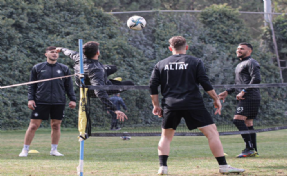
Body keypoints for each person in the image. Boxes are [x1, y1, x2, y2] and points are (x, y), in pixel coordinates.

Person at [149, 36, 245, 175]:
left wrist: (156, 105)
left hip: (171, 105)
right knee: (212, 133)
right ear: (186, 47)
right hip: (193, 103)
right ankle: (223, 166)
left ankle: (163, 167)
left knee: (166, 136)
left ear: (170, 48)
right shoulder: (195, 61)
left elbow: (152, 87)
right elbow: (205, 82)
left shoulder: (161, 64)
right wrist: (216, 99)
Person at [19, 46, 77, 157]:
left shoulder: (64, 69)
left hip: (58, 102)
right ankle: (25, 150)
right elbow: (32, 85)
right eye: (51, 52)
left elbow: (69, 86)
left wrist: (73, 99)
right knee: (33, 126)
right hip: (40, 101)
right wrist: (30, 99)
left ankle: (54, 150)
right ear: (46, 54)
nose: (54, 54)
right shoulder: (38, 67)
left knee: (56, 125)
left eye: (56, 52)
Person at [55, 41, 129, 121]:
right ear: (98, 52)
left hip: (92, 74)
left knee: (113, 68)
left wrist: (61, 49)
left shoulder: (78, 56)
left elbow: (68, 52)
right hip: (91, 90)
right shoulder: (97, 70)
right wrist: (115, 109)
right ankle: (110, 82)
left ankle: (107, 79)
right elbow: (99, 92)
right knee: (129, 84)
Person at [218, 43, 261, 158]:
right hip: (247, 97)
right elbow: (238, 83)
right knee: (248, 124)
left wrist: (244, 91)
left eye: (242, 49)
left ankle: (249, 148)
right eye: (238, 48)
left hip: (249, 97)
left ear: (250, 51)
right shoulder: (240, 64)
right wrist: (227, 91)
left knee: (237, 120)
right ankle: (253, 150)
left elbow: (257, 79)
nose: (238, 50)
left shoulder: (251, 62)